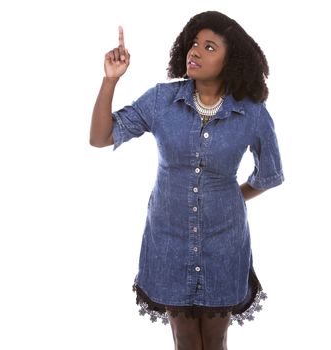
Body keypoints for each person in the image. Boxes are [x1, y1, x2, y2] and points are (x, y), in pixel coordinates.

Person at [90, 10, 284, 350]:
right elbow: (101, 137)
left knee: (215, 339)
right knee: (184, 340)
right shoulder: (161, 101)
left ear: (231, 60)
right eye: (194, 44)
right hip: (169, 241)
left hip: (224, 244)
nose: (195, 52)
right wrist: (110, 80)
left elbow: (269, 175)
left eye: (209, 47)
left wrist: (227, 197)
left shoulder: (252, 112)